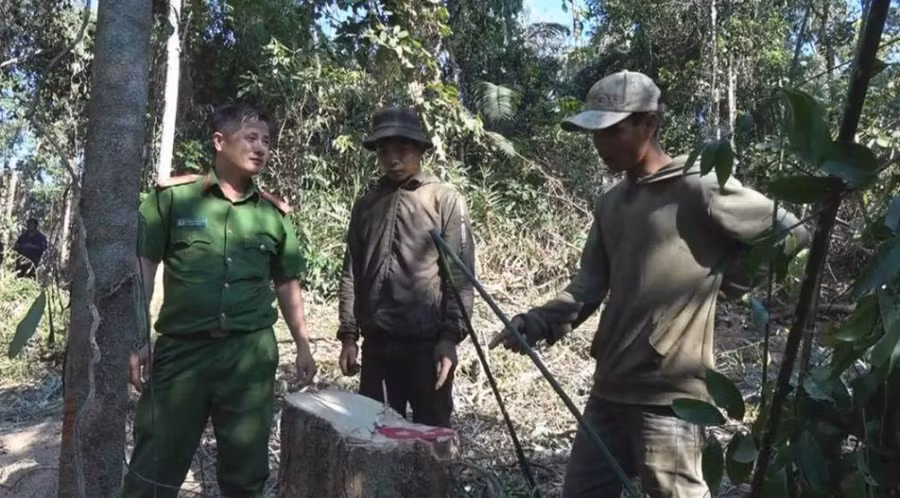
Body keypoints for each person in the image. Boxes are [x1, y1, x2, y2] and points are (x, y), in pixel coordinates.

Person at [488, 70, 811, 498]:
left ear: (650, 124)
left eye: (613, 131)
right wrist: (536, 323)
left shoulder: (698, 186)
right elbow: (587, 287)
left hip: (670, 394)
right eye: (595, 133)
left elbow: (790, 232)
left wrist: (723, 284)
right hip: (610, 386)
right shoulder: (611, 204)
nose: (601, 144)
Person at [122, 103, 317, 498]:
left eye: (266, 141)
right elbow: (143, 270)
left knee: (245, 476)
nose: (261, 147)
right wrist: (136, 338)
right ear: (219, 141)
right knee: (153, 468)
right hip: (182, 353)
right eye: (251, 137)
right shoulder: (173, 199)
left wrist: (303, 344)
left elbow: (287, 283)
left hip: (249, 355)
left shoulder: (273, 215)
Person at [336, 106, 476, 428]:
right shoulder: (367, 205)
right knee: (376, 434)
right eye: (384, 152)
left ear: (421, 150)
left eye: (402, 150)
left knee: (432, 433)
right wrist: (348, 336)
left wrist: (450, 338)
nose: (393, 160)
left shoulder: (443, 199)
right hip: (377, 345)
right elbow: (352, 272)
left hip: (427, 345)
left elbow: (460, 276)